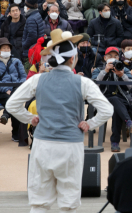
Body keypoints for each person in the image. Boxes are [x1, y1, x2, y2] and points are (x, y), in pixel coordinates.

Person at [6, 30, 112, 212]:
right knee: (68, 202)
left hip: (43, 144)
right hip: (71, 146)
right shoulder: (83, 82)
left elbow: (12, 105)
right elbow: (107, 109)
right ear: (72, 59)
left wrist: (30, 119)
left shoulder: (38, 79)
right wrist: (90, 123)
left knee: (39, 201)